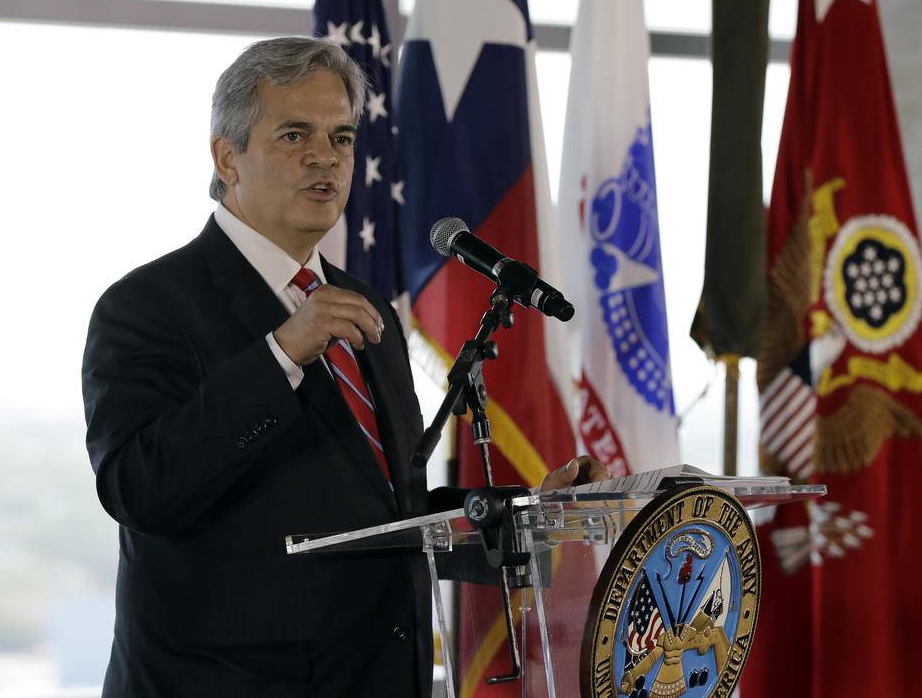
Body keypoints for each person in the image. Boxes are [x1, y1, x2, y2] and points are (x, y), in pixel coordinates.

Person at [82, 36, 603, 698]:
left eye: (343, 137)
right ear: (227, 157)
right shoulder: (147, 306)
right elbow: (140, 488)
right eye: (295, 134)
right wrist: (280, 355)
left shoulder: (362, 307)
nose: (325, 156)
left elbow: (388, 511)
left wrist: (529, 512)